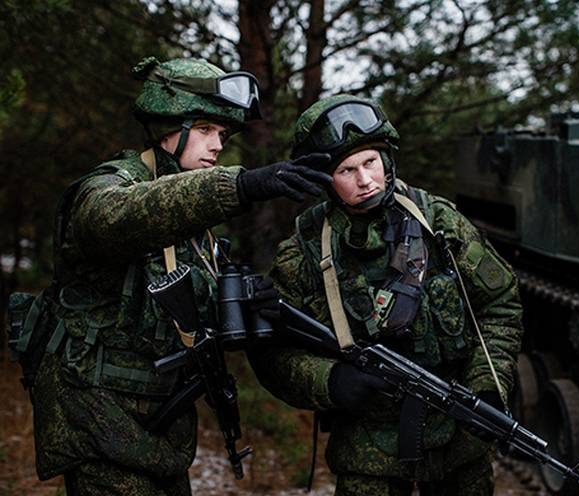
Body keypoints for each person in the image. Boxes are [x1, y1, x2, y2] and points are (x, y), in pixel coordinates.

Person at [18, 56, 330, 495]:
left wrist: (250, 302)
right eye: (205, 130)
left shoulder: (196, 228)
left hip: (160, 424)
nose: (218, 145)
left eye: (221, 134)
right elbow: (112, 218)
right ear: (168, 128)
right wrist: (239, 187)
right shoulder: (109, 185)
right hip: (98, 415)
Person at [247, 94, 523, 495]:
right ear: (326, 179)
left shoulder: (437, 222)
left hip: (458, 442)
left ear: (387, 159)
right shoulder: (306, 250)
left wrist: (488, 384)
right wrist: (330, 381)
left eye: (371, 163)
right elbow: (271, 352)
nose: (365, 180)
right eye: (347, 170)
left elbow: (500, 303)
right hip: (367, 452)